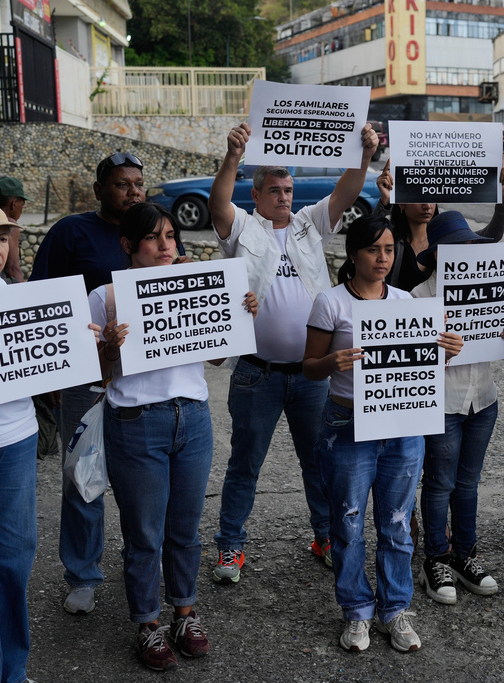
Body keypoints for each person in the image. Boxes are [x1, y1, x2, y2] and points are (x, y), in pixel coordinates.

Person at [208, 122, 379, 583]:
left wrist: (362, 158)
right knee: (245, 463)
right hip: (256, 373)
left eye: (288, 190)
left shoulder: (307, 225)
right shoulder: (242, 228)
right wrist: (232, 157)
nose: (284, 197)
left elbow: (344, 195)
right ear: (258, 193)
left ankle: (324, 536)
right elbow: (217, 203)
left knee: (318, 460)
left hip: (311, 374)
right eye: (275, 191)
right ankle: (230, 547)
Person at [91, 202, 258, 670]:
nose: (167, 246)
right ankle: (148, 623)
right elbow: (94, 375)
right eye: (154, 238)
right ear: (128, 246)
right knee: (144, 531)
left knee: (185, 529)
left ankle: (185, 612)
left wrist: (241, 314)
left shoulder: (195, 281)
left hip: (194, 418)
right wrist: (108, 346)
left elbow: (220, 360)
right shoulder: (105, 297)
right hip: (136, 421)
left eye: (171, 236)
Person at [302, 213, 462, 652]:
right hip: (347, 426)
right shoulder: (330, 302)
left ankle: (395, 610)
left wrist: (446, 353)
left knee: (397, 526)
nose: (383, 258)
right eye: (373, 249)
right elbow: (309, 367)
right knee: (348, 524)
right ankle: (357, 612)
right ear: (353, 253)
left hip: (402, 427)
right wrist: (330, 364)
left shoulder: (407, 302)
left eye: (389, 249)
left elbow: (419, 372)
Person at [0, 197, 93, 682]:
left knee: (13, 561)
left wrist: (78, 345)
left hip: (16, 443)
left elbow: (43, 374)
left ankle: (12, 671)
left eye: (3, 236)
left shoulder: (20, 296)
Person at [30, 151, 155, 615]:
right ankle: (82, 574)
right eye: (122, 184)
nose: (133, 191)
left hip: (143, 382)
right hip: (86, 379)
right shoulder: (70, 232)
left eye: (138, 183)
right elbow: (42, 300)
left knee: (140, 478)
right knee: (83, 477)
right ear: (99, 188)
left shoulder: (151, 232)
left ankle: (141, 564)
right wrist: (54, 374)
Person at [410, 211, 504, 605]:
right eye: (459, 245)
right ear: (438, 253)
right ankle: (436, 558)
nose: (468, 252)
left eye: (471, 244)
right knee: (440, 482)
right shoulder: (419, 297)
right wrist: (438, 353)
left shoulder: (491, 285)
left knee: (469, 483)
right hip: (443, 403)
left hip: (483, 399)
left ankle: (466, 554)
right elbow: (410, 365)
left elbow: (499, 336)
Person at [372, 160, 504, 291]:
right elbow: (368, 237)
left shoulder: (448, 239)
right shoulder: (392, 243)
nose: (427, 206)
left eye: (432, 198)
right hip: (403, 317)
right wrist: (385, 202)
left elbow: (492, 235)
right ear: (401, 204)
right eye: (419, 199)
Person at [0, 176, 30, 283]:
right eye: (22, 204)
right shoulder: (9, 224)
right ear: (14, 203)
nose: (22, 209)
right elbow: (12, 268)